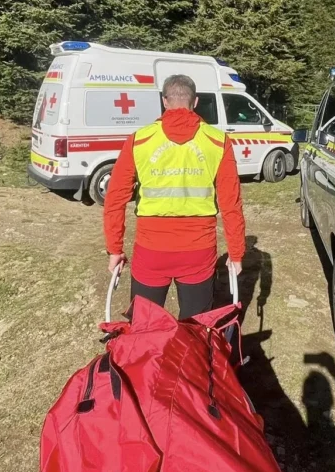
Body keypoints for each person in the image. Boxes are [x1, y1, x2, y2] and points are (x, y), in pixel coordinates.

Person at [103, 75, 246, 318]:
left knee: (145, 327)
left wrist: (114, 249)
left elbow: (115, 198)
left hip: (151, 250)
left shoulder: (139, 140)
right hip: (198, 251)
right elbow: (231, 204)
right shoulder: (218, 141)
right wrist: (236, 253)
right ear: (196, 101)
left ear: (164, 102)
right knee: (195, 329)